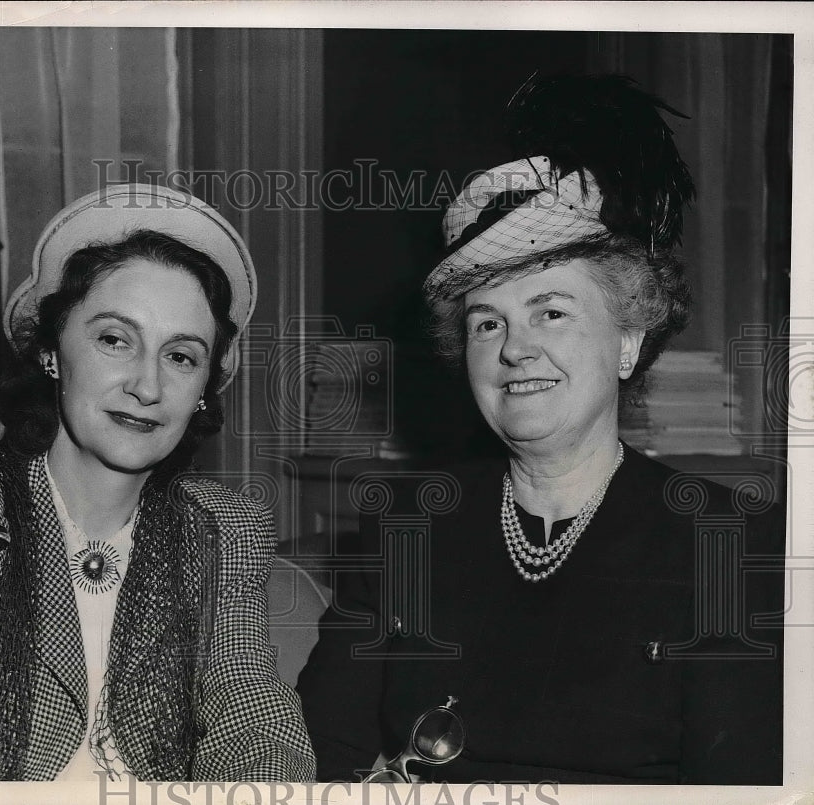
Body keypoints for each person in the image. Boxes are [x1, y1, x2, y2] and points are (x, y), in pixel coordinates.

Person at [297, 75, 785, 784]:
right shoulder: (405, 530)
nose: (514, 348)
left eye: (550, 311)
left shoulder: (727, 545)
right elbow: (314, 760)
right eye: (487, 321)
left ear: (627, 340)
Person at [0, 184, 316, 782]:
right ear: (52, 353)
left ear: (202, 392)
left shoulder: (228, 527)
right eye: (115, 340)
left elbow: (252, 716)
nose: (147, 386)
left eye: (181, 356)